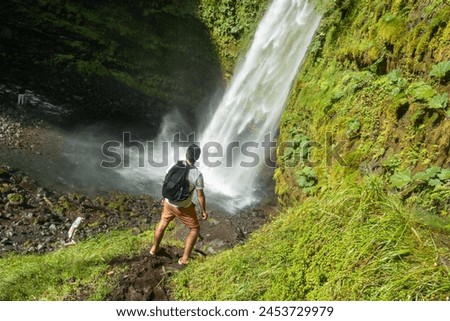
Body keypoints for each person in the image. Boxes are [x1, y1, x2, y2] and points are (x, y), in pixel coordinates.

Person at [150, 144, 208, 266]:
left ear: (186, 154)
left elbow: (167, 182)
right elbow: (200, 196)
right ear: (197, 157)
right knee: (195, 229)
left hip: (168, 202)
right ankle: (184, 259)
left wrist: (164, 198)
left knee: (163, 223)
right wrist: (203, 211)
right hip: (183, 208)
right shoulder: (197, 174)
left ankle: (154, 249)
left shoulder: (174, 165)